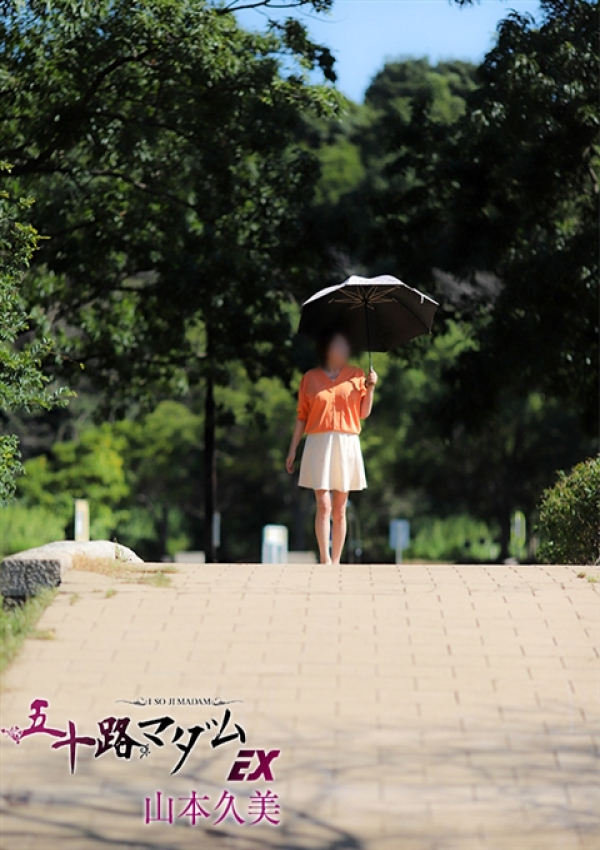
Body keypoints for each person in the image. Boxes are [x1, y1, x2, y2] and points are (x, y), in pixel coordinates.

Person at [286, 330, 378, 564]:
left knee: (339, 508)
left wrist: (371, 388)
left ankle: (336, 561)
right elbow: (301, 416)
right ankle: (325, 559)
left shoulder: (356, 375)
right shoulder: (310, 378)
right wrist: (293, 449)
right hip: (318, 442)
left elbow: (363, 413)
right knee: (323, 504)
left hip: (346, 442)